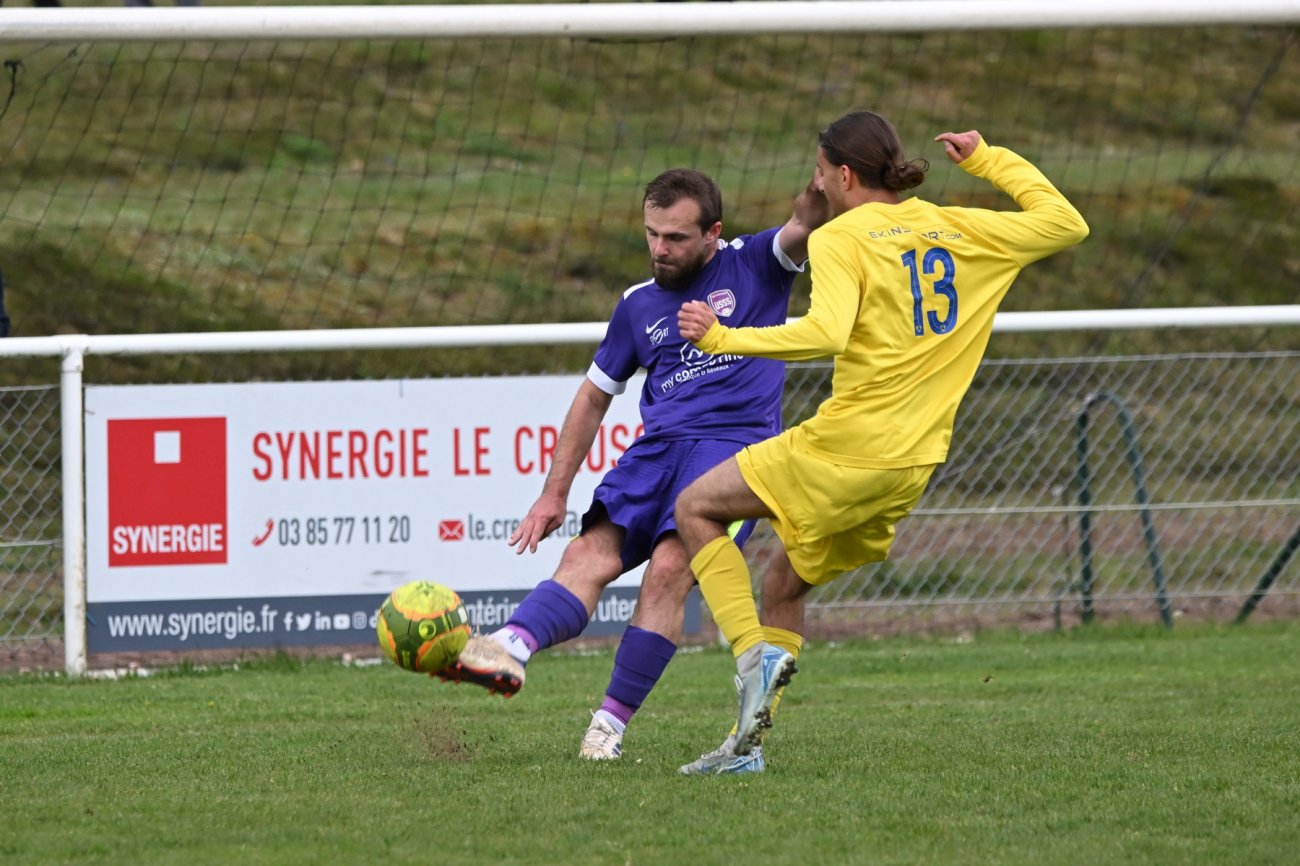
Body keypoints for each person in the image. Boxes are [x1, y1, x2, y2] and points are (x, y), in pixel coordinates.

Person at [673, 111, 1090, 768]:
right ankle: (747, 747)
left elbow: (826, 332)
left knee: (695, 507)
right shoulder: (961, 228)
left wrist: (724, 338)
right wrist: (988, 159)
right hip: (913, 465)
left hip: (847, 447)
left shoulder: (841, 238)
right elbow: (1067, 223)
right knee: (784, 583)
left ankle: (750, 657)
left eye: (819, 173)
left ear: (844, 175)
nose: (815, 185)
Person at [436, 168, 828, 773]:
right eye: (652, 234)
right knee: (585, 556)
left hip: (732, 454)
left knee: (669, 570)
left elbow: (807, 219)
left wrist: (828, 174)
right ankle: (509, 647)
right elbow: (594, 396)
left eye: (675, 237)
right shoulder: (637, 304)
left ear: (713, 233)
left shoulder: (757, 262)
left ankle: (607, 727)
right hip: (656, 452)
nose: (659, 249)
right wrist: (553, 494)